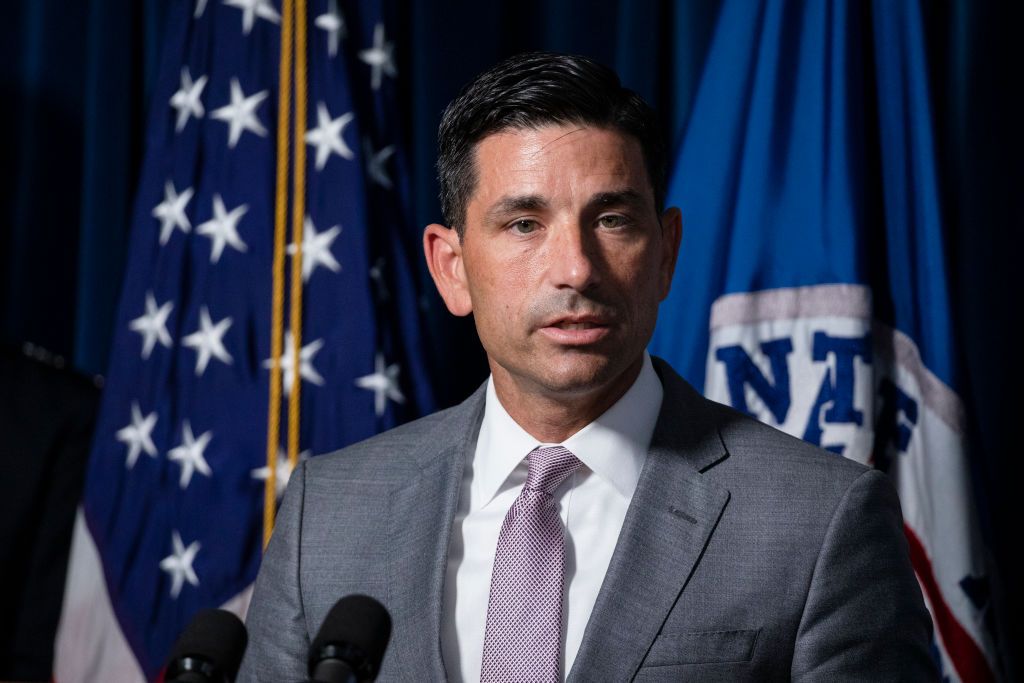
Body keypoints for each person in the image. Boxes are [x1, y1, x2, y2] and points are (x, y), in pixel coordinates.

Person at [238, 52, 937, 682]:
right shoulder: (325, 514)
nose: (575, 268)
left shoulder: (820, 520)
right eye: (524, 224)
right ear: (451, 269)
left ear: (665, 252)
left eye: (612, 220)